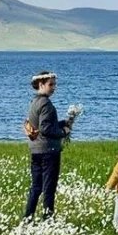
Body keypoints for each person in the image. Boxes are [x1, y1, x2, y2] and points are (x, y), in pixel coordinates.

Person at [24, 71, 71, 219]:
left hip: (35, 149)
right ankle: (48, 219)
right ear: (41, 84)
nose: (54, 87)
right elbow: (46, 129)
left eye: (54, 84)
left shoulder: (33, 102)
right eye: (51, 84)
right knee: (49, 187)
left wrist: (63, 123)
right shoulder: (46, 104)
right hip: (48, 150)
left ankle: (28, 217)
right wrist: (63, 132)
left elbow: (41, 125)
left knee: (36, 186)